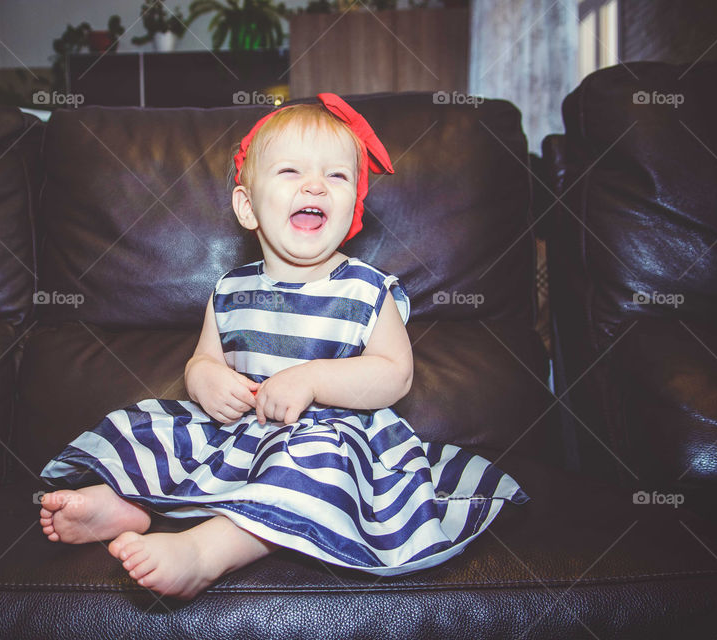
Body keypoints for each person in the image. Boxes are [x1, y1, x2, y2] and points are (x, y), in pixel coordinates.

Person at [38, 93, 529, 601]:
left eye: (337, 176)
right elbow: (203, 358)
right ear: (247, 206)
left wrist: (313, 379)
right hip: (241, 433)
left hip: (333, 441)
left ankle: (207, 552)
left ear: (353, 206)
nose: (315, 184)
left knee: (309, 469)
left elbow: (395, 374)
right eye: (291, 171)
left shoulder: (365, 288)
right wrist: (206, 379)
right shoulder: (230, 290)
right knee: (161, 435)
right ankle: (130, 505)